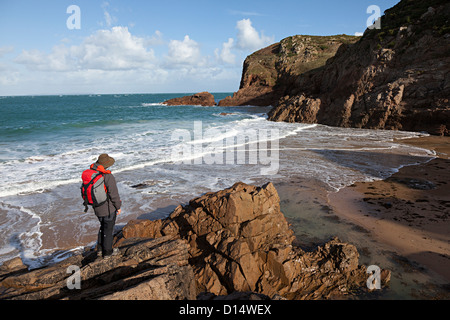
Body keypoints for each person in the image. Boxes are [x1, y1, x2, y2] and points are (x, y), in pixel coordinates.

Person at [90, 153, 122, 258]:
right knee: (108, 230)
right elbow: (114, 195)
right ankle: (108, 253)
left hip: (97, 207)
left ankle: (99, 250)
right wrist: (118, 206)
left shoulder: (92, 174)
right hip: (108, 209)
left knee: (102, 227)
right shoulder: (108, 176)